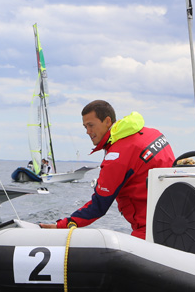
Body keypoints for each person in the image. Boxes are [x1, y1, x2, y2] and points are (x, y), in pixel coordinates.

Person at [40, 100, 175, 239]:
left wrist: (64, 225)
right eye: (85, 127)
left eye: (91, 125)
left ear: (107, 121)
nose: (87, 132)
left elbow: (99, 206)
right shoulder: (153, 134)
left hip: (151, 229)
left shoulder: (117, 157)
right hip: (179, 218)